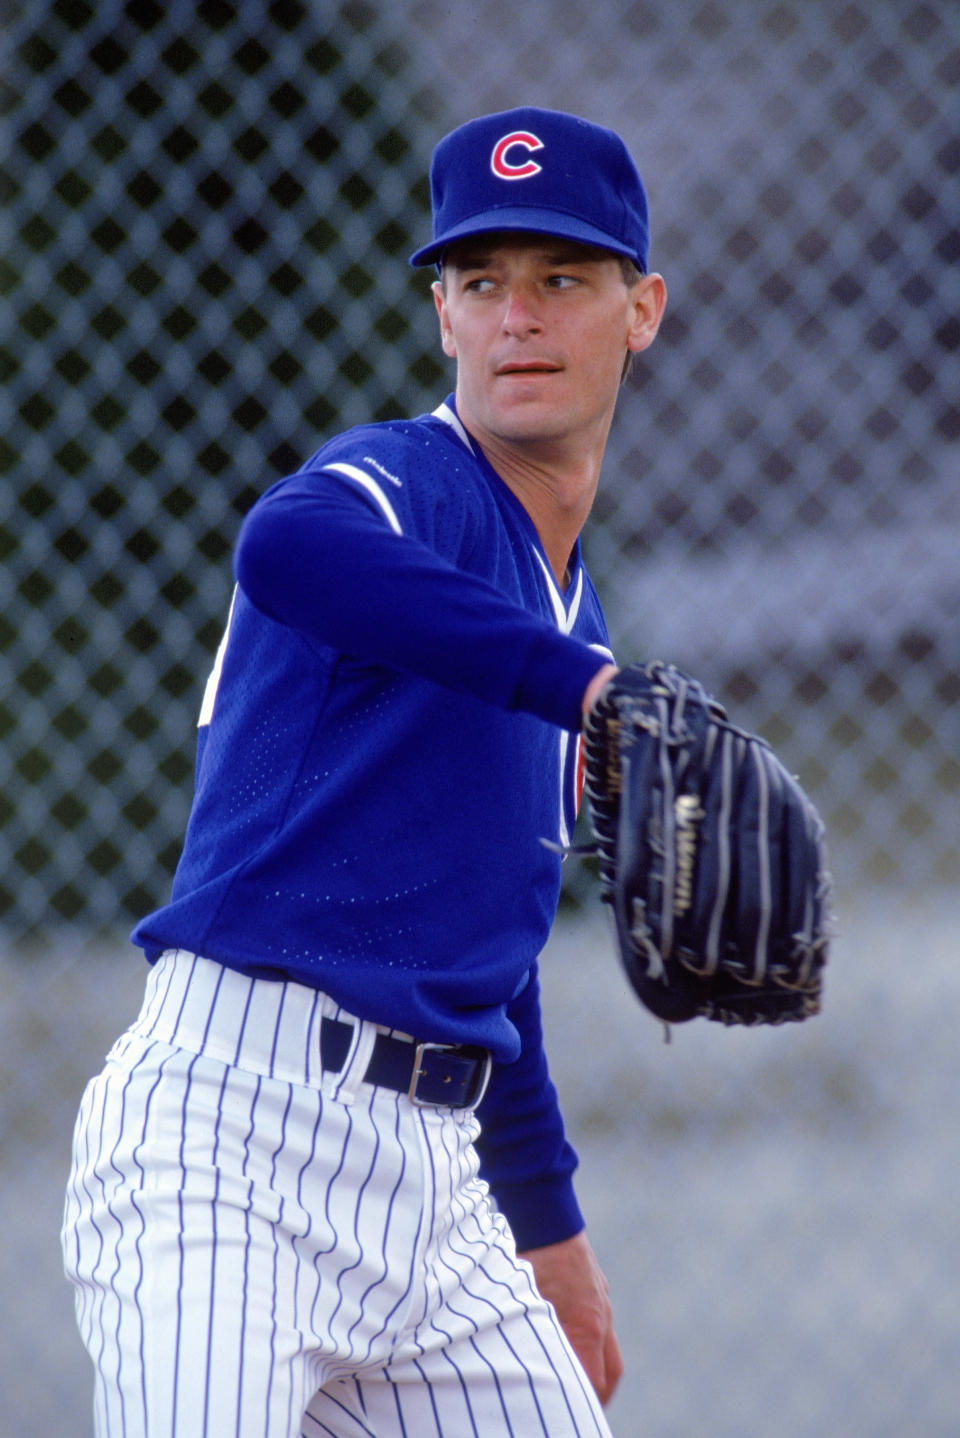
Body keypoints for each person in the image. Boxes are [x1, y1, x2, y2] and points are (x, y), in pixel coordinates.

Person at [62, 105, 667, 1438]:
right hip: (225, 1147)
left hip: (435, 1194)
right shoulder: (408, 486)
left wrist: (551, 1231)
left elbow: (487, 951)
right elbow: (287, 545)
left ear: (642, 309)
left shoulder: (572, 624)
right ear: (442, 317)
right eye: (479, 282)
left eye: (561, 278)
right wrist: (587, 691)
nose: (518, 317)